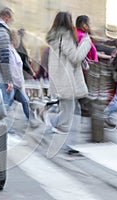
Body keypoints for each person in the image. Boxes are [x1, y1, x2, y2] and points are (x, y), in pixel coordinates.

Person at [45, 11, 91, 154]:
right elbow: (75, 57)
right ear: (67, 21)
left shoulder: (54, 37)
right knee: (71, 115)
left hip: (61, 80)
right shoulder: (65, 36)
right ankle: (67, 145)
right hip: (67, 81)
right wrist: (86, 43)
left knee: (67, 112)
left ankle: (47, 125)